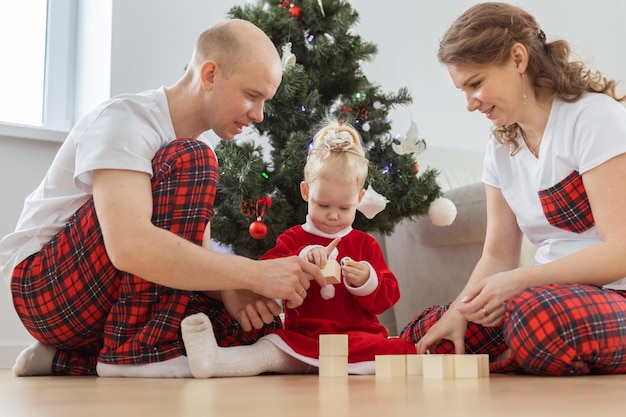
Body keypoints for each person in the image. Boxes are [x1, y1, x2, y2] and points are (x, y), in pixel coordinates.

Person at [0, 18, 327, 378]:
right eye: (252, 95)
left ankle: (64, 360)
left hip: (102, 301)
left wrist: (235, 289)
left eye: (265, 100)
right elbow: (129, 246)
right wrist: (254, 272)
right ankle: (134, 355)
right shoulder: (126, 120)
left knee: (250, 327)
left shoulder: (195, 155)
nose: (259, 114)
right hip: (45, 292)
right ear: (210, 75)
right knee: (194, 158)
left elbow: (189, 257)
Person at [399, 2, 626, 376]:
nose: (470, 104)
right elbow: (498, 256)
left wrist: (520, 281)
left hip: (612, 294)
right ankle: (519, 360)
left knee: (533, 318)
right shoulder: (501, 150)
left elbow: (619, 252)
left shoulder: (593, 119)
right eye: (463, 90)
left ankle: (518, 356)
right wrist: (459, 311)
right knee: (425, 333)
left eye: (476, 84)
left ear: (518, 59)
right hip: (545, 297)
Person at [181, 119, 416, 378]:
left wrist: (367, 280)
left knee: (395, 351)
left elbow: (388, 297)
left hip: (356, 337)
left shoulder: (364, 244)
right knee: (270, 348)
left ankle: (354, 364)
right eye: (323, 205)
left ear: (359, 199)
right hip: (305, 337)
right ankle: (215, 361)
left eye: (344, 208)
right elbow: (264, 273)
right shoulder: (293, 238)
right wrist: (301, 259)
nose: (333, 216)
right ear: (306, 192)